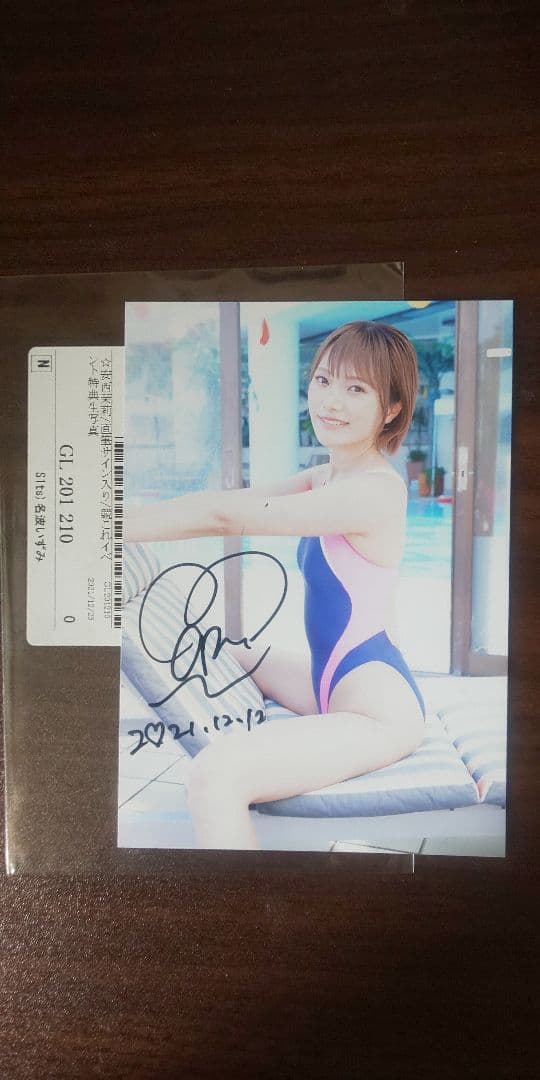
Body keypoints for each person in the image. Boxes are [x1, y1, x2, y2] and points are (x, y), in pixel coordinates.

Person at [124, 320, 425, 849]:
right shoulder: (328, 477)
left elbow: (224, 518)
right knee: (229, 654)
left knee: (213, 777)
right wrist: (120, 516)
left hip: (377, 711)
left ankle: (243, 904)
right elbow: (228, 501)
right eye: (324, 380)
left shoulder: (375, 491)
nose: (331, 401)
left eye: (357, 389)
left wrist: (107, 525)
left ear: (392, 408)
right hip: (328, 684)